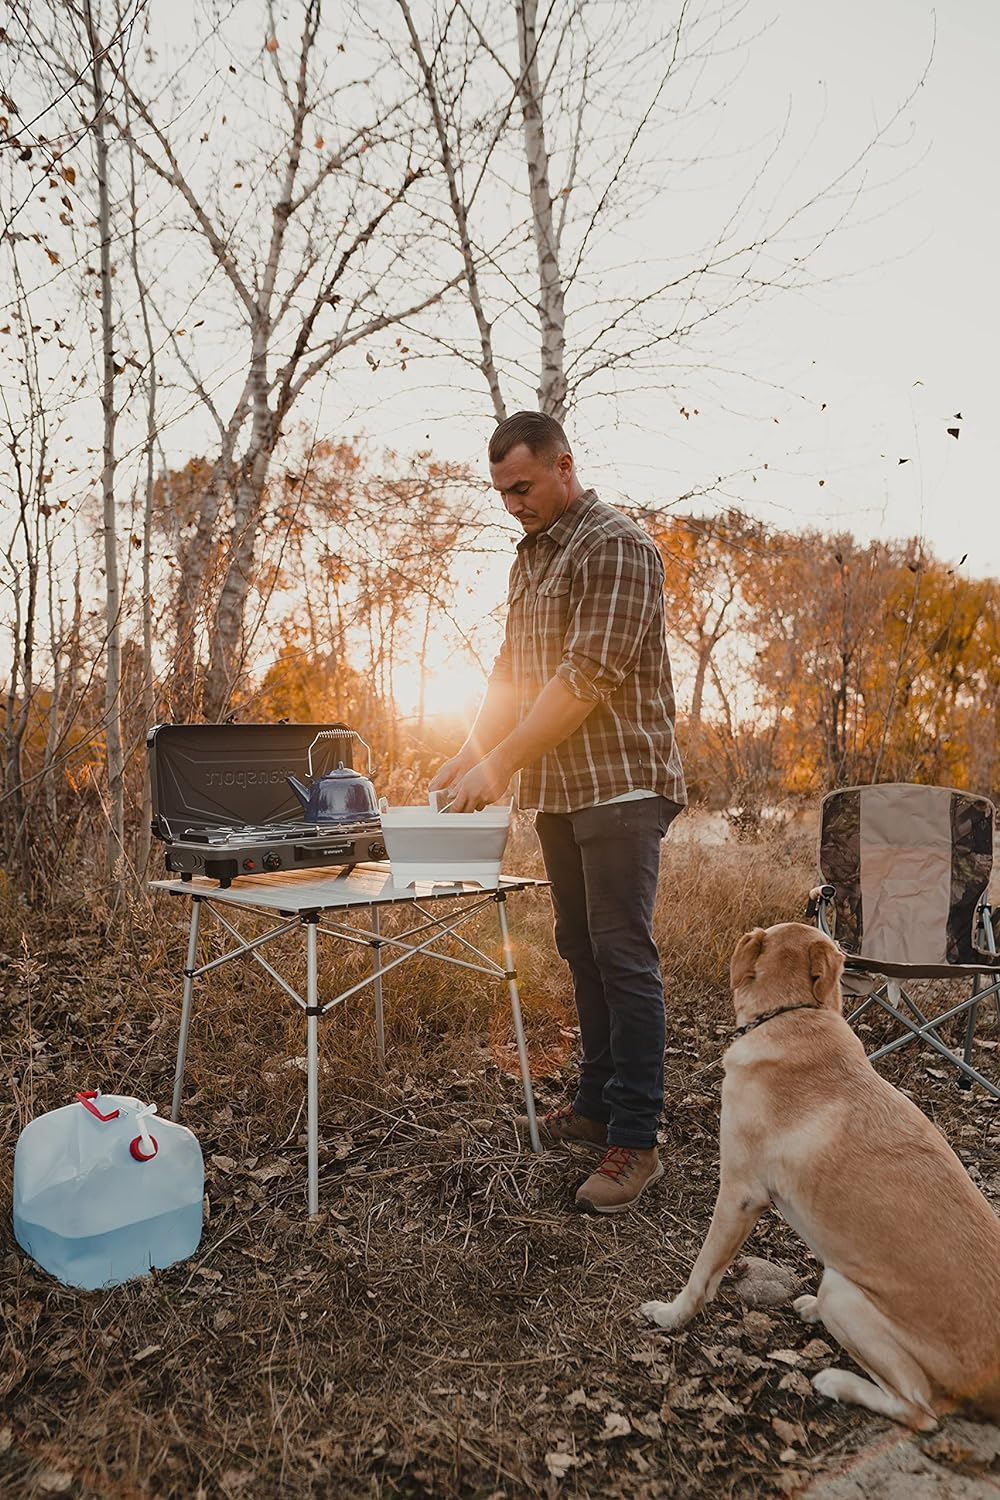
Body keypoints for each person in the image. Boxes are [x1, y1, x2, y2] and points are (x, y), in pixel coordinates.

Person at [430, 411, 686, 1214]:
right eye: (501, 492)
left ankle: (637, 1142)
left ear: (563, 465)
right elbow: (513, 670)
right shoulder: (531, 554)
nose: (512, 503)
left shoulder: (614, 545)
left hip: (619, 783)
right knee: (579, 946)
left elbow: (582, 678)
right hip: (559, 788)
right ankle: (597, 1103)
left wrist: (499, 766)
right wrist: (474, 749)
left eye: (523, 486)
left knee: (621, 953)